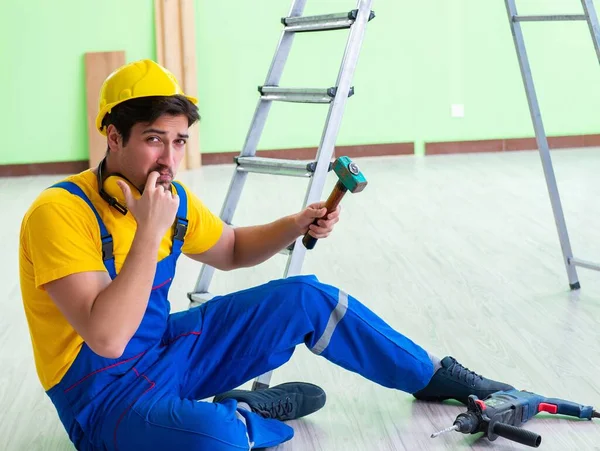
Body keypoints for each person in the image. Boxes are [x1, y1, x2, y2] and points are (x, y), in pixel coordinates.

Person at [19, 59, 514, 451]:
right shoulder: (59, 213)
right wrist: (150, 233)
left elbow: (231, 249)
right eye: (154, 141)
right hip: (102, 399)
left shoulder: (173, 200)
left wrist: (294, 224)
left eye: (179, 142)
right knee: (218, 438)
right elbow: (106, 338)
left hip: (166, 352)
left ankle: (430, 375)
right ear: (113, 136)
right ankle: (246, 413)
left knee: (306, 297)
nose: (170, 161)